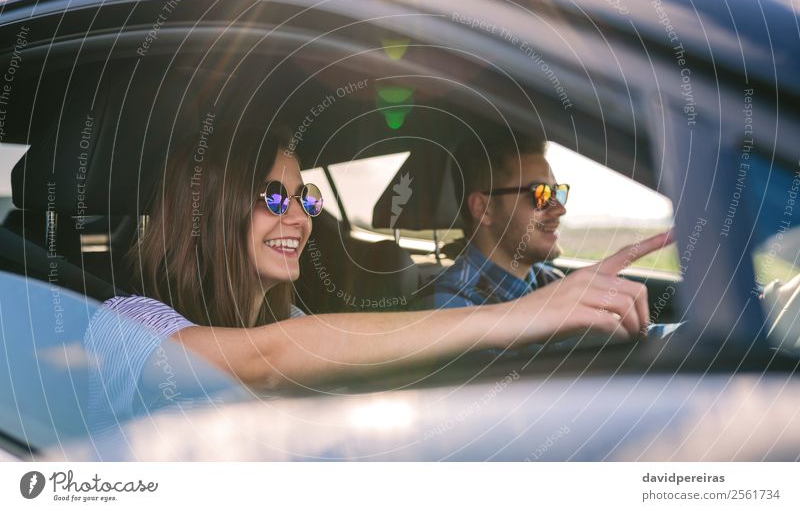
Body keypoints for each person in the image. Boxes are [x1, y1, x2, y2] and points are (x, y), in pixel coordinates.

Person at [101, 126, 672, 390]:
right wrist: (527, 315)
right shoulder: (123, 325)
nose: (300, 218)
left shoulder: (294, 326)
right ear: (212, 208)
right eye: (275, 196)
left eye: (307, 198)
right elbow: (262, 362)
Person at [419, 135, 568, 309]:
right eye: (541, 194)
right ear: (483, 208)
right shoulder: (450, 306)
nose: (559, 208)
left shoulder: (552, 282)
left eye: (557, 192)